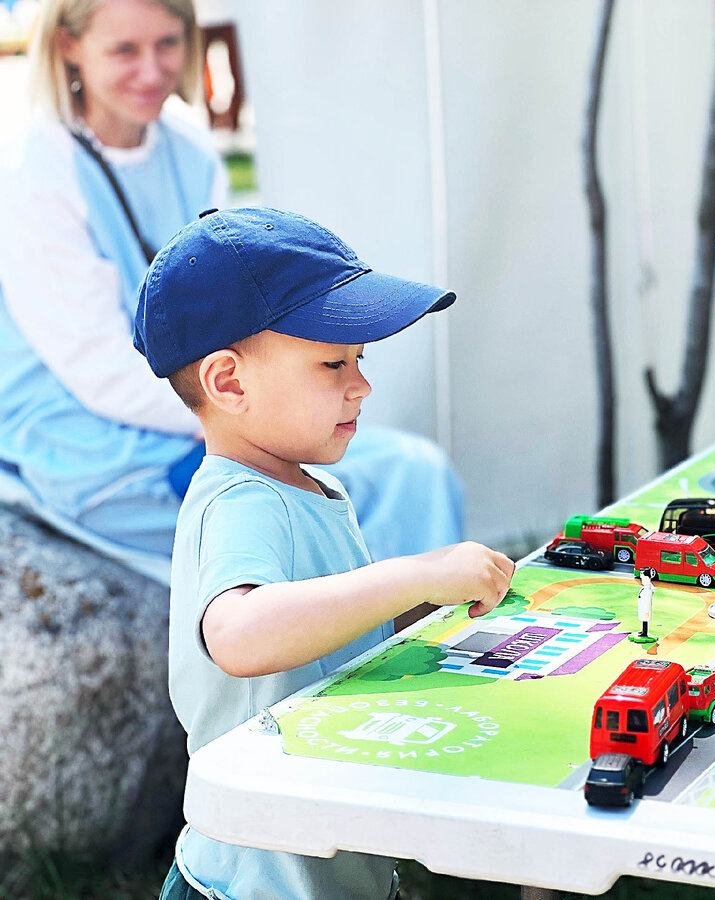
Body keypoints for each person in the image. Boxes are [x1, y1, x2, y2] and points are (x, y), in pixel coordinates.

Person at [0, 0, 461, 566]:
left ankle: (419, 636)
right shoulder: (36, 168)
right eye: (124, 49)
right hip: (92, 437)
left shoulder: (190, 152)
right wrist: (246, 418)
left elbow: (234, 310)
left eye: (167, 43)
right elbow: (100, 374)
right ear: (69, 46)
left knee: (411, 470)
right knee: (374, 484)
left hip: (212, 405)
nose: (152, 71)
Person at [142, 207, 515, 900]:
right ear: (229, 383)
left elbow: (330, 636)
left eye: (360, 360)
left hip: (326, 864)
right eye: (332, 361)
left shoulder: (309, 486)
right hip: (255, 885)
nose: (362, 385)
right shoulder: (241, 501)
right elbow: (240, 634)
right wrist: (412, 575)